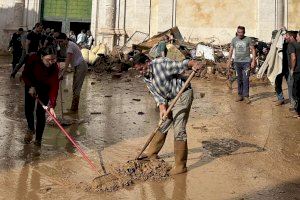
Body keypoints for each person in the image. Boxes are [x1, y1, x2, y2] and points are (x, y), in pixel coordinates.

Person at [132, 53, 203, 175]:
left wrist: (194, 64)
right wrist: (162, 109)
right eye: (138, 70)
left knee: (179, 129)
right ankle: (152, 153)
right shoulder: (146, 76)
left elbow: (183, 64)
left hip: (183, 94)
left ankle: (181, 166)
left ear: (147, 62)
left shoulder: (161, 65)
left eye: (142, 68)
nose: (141, 72)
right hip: (169, 99)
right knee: (163, 124)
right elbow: (156, 95)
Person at [22, 46, 59, 146]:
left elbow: (54, 86)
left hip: (44, 87)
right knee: (28, 109)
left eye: (54, 59)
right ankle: (31, 128)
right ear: (42, 56)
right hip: (31, 83)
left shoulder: (54, 67)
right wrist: (31, 86)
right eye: (49, 60)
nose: (51, 62)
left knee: (40, 112)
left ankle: (38, 140)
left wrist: (52, 106)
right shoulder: (33, 58)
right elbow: (25, 74)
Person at [56, 33, 88, 112]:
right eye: (58, 42)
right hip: (78, 66)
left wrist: (63, 73)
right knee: (74, 87)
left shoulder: (70, 46)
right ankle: (74, 108)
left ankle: (74, 109)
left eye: (61, 41)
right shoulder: (69, 45)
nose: (60, 44)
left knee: (76, 88)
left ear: (65, 39)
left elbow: (68, 60)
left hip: (81, 66)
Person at [227, 26, 256, 104]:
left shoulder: (248, 39)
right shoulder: (234, 40)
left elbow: (253, 50)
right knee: (239, 79)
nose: (240, 34)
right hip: (237, 62)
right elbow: (231, 50)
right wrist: (229, 60)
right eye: (238, 32)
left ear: (244, 32)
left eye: (241, 32)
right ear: (237, 32)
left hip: (246, 62)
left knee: (246, 79)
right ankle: (240, 95)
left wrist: (253, 61)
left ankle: (246, 96)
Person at [291, 31, 300, 118]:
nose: (296, 38)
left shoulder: (294, 45)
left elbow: (293, 58)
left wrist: (292, 69)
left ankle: (298, 112)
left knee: (296, 92)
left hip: (297, 71)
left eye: (297, 36)